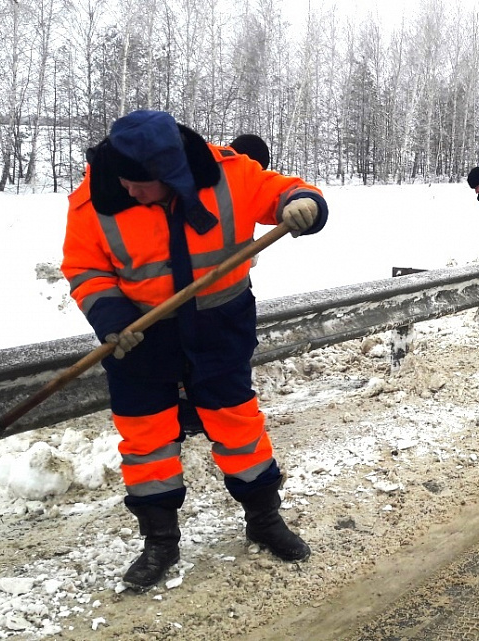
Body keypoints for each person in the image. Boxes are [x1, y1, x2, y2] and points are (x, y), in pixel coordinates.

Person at [61, 110, 328, 591]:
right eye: (124, 181)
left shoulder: (230, 174)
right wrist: (112, 319)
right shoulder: (92, 200)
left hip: (217, 328)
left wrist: (303, 203)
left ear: (172, 174)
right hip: (140, 337)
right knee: (146, 441)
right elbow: (85, 269)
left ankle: (264, 520)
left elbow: (284, 191)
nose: (131, 192)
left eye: (142, 185)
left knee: (238, 426)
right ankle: (159, 541)